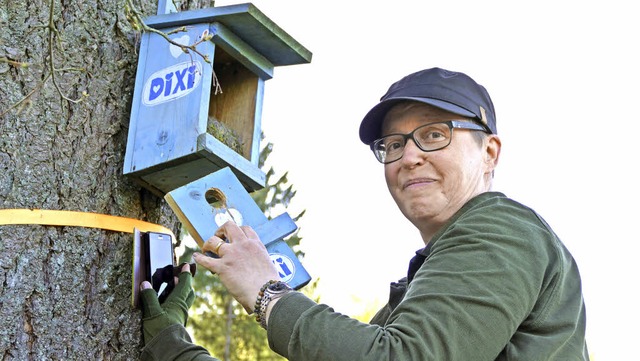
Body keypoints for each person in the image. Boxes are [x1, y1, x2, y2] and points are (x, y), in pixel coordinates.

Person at [139, 67, 589, 360]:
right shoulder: (420, 296)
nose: (409, 156)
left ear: (489, 151)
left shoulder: (503, 230)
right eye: (393, 144)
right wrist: (169, 339)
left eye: (434, 135)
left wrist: (264, 291)